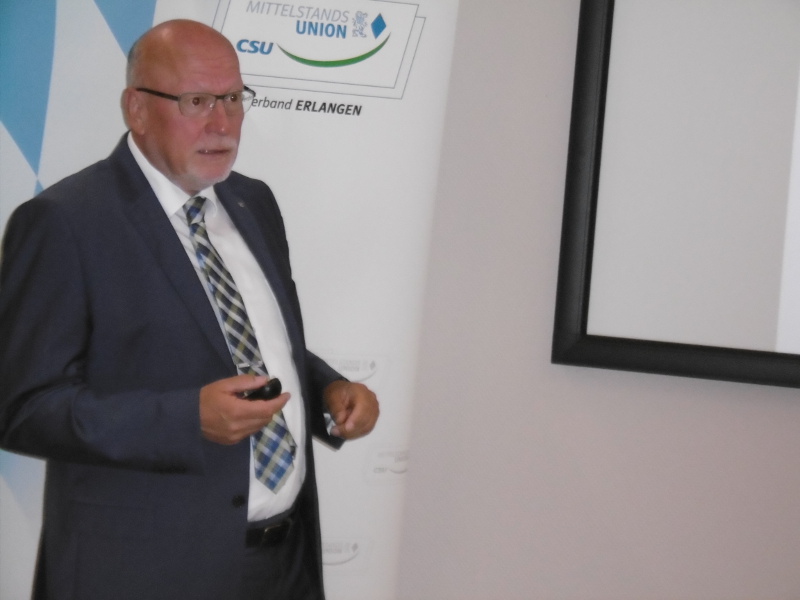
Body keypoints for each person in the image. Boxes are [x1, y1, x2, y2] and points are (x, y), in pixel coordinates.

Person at [0, 19, 379, 600]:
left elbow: (255, 343)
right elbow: (23, 408)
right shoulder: (65, 223)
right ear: (137, 108)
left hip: (283, 566)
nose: (222, 123)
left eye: (233, 98)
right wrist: (186, 420)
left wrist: (327, 389)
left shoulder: (254, 202)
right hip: (141, 573)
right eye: (197, 101)